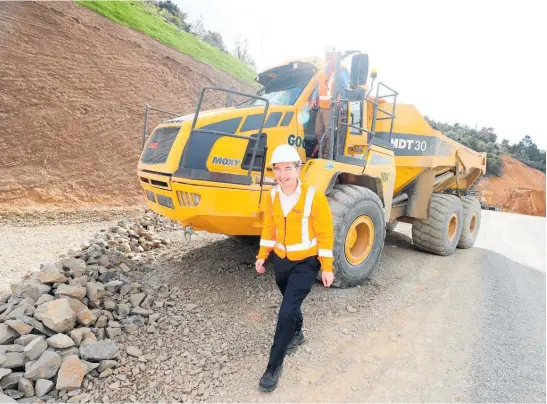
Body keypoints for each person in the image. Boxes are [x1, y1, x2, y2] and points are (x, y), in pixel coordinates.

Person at [255, 144, 335, 392]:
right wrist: (262, 254)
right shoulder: (272, 196)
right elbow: (270, 227)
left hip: (306, 263)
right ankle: (298, 333)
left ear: (298, 169)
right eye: (277, 169)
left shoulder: (314, 196)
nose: (282, 174)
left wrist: (327, 267)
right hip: (281, 261)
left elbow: (325, 233)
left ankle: (273, 366)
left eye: (287, 168)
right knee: (291, 305)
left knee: (285, 311)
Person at [309, 45, 350, 159]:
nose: (328, 58)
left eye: (330, 55)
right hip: (322, 107)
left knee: (328, 134)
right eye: (327, 55)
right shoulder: (323, 71)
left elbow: (345, 89)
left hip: (331, 108)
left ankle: (326, 156)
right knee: (318, 132)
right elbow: (318, 87)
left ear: (336, 57)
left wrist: (340, 101)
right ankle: (321, 153)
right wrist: (313, 98)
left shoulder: (341, 70)